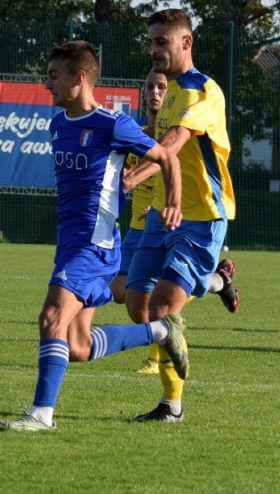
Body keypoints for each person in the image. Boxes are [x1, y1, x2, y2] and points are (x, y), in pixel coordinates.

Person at [0, 40, 186, 432]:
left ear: (79, 78)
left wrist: (173, 203)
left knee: (51, 317)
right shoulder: (58, 123)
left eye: (53, 76)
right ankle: (159, 331)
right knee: (78, 346)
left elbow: (166, 156)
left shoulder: (111, 124)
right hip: (72, 243)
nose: (47, 84)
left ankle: (41, 415)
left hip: (92, 245)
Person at [123, 8, 237, 422]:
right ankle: (219, 280)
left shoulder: (201, 90)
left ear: (185, 42)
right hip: (162, 213)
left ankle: (171, 407)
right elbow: (158, 140)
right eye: (151, 42)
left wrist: (136, 175)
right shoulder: (169, 90)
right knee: (138, 303)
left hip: (203, 214)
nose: (154, 50)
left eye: (162, 42)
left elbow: (173, 141)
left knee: (166, 308)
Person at [112, 70, 241, 376]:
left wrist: (154, 194)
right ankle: (217, 281)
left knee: (163, 300)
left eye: (161, 86)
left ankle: (157, 365)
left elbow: (172, 159)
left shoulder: (181, 124)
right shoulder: (136, 134)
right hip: (142, 224)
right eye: (150, 86)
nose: (156, 91)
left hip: (177, 218)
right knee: (125, 295)